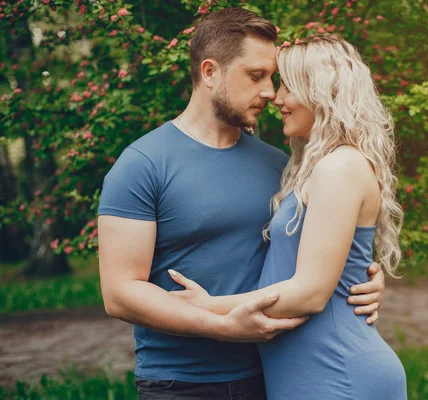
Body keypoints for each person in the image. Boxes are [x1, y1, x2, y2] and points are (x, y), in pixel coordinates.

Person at [97, 8, 385, 400]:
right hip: (182, 382)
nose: (269, 91)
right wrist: (219, 324)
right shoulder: (142, 165)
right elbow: (119, 293)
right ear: (210, 72)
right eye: (255, 76)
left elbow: (315, 257)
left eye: (273, 78)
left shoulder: (282, 166)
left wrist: (363, 279)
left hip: (275, 372)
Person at [169, 36, 407, 400]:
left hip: (336, 371)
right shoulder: (314, 168)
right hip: (309, 371)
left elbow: (310, 293)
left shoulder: (339, 167)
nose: (276, 98)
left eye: (288, 87)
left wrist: (207, 308)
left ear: (324, 94)